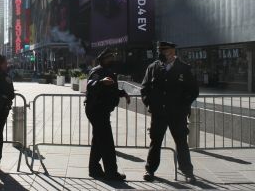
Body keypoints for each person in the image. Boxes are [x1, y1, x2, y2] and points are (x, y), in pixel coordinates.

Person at [141, 41, 199, 183]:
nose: (161, 52)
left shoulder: (184, 68)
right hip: (159, 113)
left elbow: (193, 90)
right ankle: (150, 170)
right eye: (160, 50)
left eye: (164, 49)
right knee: (156, 142)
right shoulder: (153, 67)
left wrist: (183, 106)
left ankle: (188, 172)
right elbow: (145, 88)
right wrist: (150, 103)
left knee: (181, 142)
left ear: (173, 51)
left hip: (177, 114)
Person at [84, 48, 130, 181]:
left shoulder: (107, 71)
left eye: (112, 57)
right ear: (103, 59)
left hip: (101, 110)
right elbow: (90, 85)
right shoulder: (97, 71)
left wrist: (122, 92)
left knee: (98, 141)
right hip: (97, 110)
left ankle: (94, 170)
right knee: (107, 143)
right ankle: (111, 172)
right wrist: (100, 81)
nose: (112, 59)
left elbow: (110, 89)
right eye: (110, 58)